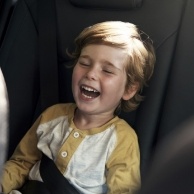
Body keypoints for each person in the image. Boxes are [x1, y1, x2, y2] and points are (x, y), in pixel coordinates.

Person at [0, 21, 155, 194]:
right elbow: (21, 163)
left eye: (107, 71)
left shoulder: (122, 139)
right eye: (85, 63)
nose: (91, 74)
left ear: (129, 89)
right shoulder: (52, 115)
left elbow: (123, 191)